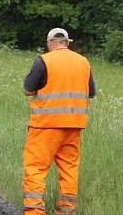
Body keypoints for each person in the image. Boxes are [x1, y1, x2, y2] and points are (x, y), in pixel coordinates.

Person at [21, 28, 96, 215]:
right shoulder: (83, 62)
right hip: (74, 127)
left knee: (36, 169)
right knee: (69, 171)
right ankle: (66, 211)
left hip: (46, 126)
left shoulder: (44, 60)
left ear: (50, 43)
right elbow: (91, 92)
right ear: (67, 43)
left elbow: (28, 90)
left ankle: (34, 211)